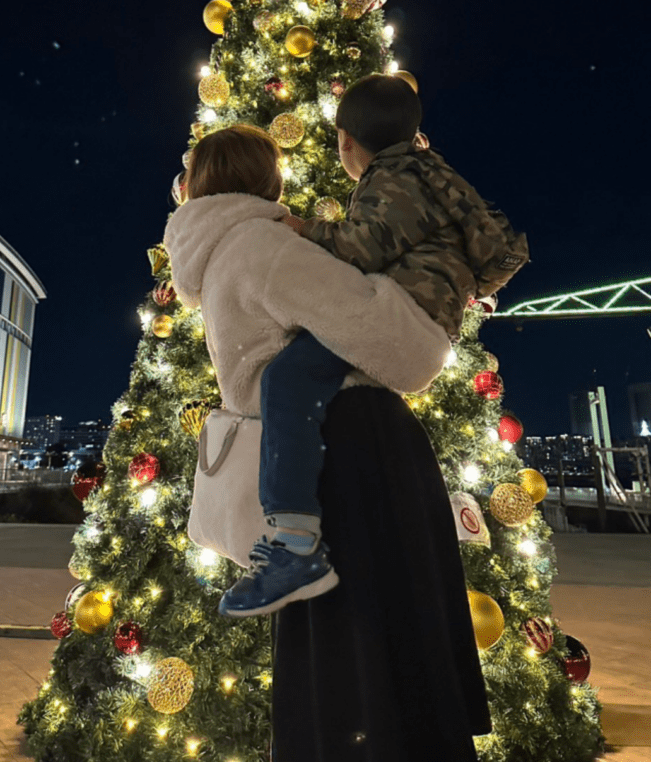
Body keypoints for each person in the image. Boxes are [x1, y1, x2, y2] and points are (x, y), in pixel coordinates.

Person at [164, 123, 491, 762]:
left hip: (311, 457)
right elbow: (387, 336)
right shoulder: (263, 244)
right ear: (267, 180)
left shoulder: (214, 256)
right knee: (389, 627)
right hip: (357, 453)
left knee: (334, 642)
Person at [216, 76, 528, 616]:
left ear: (346, 142)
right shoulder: (432, 174)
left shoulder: (395, 177)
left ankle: (293, 545)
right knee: (310, 375)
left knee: (288, 379)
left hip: (402, 312)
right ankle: (296, 535)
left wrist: (299, 227)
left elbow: (361, 248)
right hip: (424, 311)